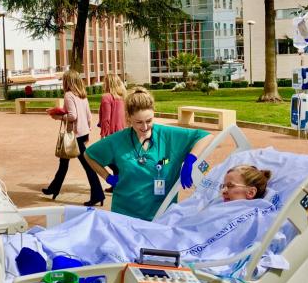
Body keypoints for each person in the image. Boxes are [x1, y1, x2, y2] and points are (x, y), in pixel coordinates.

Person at [85, 87, 213, 220]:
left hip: (161, 215)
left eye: (149, 121)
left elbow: (206, 136)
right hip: (125, 213)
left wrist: (190, 160)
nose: (145, 127)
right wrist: (107, 177)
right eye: (139, 122)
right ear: (128, 118)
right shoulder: (117, 140)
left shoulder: (168, 135)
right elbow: (89, 155)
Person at [42, 69, 104, 205]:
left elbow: (73, 116)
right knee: (64, 164)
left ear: (67, 81)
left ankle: (98, 194)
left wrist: (58, 116)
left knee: (87, 166)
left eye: (64, 79)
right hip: (82, 133)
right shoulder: (82, 95)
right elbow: (88, 116)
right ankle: (54, 188)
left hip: (74, 135)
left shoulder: (69, 95)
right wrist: (87, 132)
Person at [98, 74, 127, 193]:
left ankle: (118, 181)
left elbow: (106, 119)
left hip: (111, 133)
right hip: (122, 132)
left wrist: (104, 135)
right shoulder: (122, 98)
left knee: (104, 159)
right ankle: (117, 185)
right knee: (115, 160)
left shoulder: (106, 97)